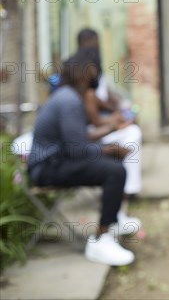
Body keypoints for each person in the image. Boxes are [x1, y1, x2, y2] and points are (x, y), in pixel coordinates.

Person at [27, 48, 140, 266]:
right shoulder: (68, 101)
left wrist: (109, 137)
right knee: (114, 170)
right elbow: (77, 148)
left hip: (56, 162)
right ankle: (101, 240)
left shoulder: (67, 97)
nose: (96, 76)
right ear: (83, 75)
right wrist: (108, 149)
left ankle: (112, 221)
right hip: (47, 169)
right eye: (93, 71)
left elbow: (77, 139)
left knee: (113, 163)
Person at [78, 28, 143, 195]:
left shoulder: (94, 77)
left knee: (131, 128)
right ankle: (127, 186)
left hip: (99, 128)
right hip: (89, 136)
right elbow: (95, 122)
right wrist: (115, 123)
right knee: (132, 133)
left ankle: (127, 183)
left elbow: (105, 100)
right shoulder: (84, 82)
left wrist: (118, 111)